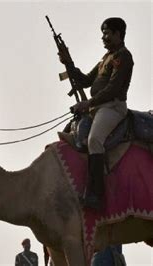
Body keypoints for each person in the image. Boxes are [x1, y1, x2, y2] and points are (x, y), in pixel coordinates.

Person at [59, 17, 134, 210]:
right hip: (97, 108)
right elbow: (85, 80)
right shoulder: (105, 59)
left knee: (94, 140)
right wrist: (68, 63)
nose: (104, 37)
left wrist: (88, 103)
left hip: (112, 108)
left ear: (118, 34)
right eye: (103, 33)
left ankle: (97, 196)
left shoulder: (123, 57)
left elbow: (113, 88)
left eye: (107, 34)